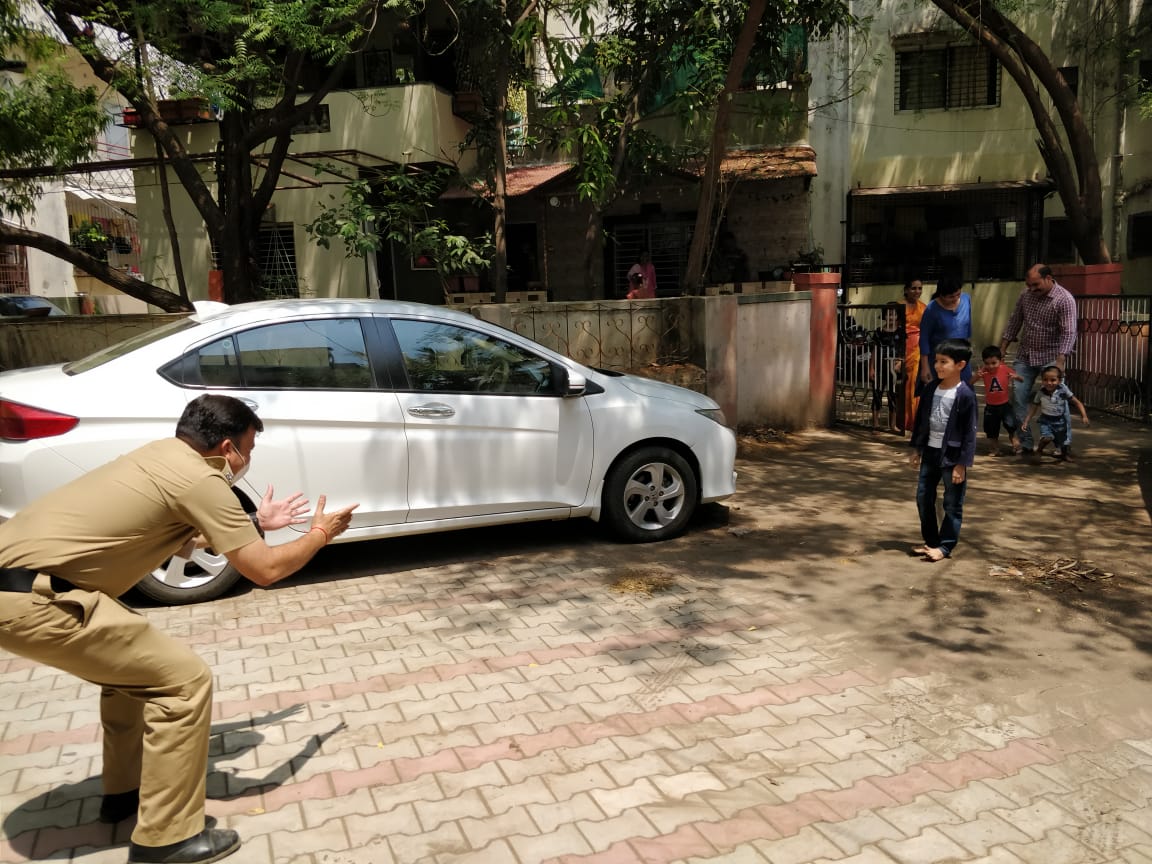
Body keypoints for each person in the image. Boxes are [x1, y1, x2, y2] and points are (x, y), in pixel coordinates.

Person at [0, 394, 358, 864]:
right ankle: (165, 839)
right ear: (227, 448)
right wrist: (321, 534)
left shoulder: (160, 457)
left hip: (22, 591)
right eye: (247, 450)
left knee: (131, 680)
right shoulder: (203, 480)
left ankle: (124, 793)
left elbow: (181, 528)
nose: (247, 461)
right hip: (42, 601)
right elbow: (264, 571)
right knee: (184, 685)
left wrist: (256, 521)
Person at [999, 263, 1079, 458]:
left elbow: (1068, 332)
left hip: (1051, 357)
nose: (1032, 289)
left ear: (1049, 278)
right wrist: (1002, 349)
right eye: (1029, 285)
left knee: (1058, 401)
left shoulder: (1064, 299)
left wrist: (1060, 360)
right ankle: (1026, 443)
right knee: (1018, 396)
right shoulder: (1025, 295)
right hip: (1025, 355)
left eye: (1036, 285)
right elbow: (1015, 320)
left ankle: (1063, 445)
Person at [908, 338, 978, 562]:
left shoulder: (965, 395)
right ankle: (931, 541)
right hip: (930, 452)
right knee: (923, 496)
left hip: (952, 457)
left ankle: (946, 546)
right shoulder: (930, 389)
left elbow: (969, 433)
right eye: (937, 361)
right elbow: (921, 421)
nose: (938, 366)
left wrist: (962, 464)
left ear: (960, 364)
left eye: (944, 361)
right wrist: (917, 449)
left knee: (952, 503)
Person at [1022, 364, 1090, 461]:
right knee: (1047, 437)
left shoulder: (1063, 390)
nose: (1049, 383)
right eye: (1045, 380)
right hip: (1046, 420)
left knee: (1063, 441)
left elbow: (1077, 402)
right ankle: (1039, 450)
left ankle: (1064, 454)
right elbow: (1034, 407)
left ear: (1059, 380)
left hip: (1061, 421)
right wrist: (1026, 421)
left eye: (1053, 380)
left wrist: (1084, 416)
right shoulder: (1041, 393)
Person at [918, 275, 973, 390]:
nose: (955, 298)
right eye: (951, 296)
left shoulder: (966, 299)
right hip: (940, 361)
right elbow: (924, 338)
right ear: (941, 295)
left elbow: (967, 328)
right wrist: (925, 367)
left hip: (961, 358)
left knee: (963, 392)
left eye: (958, 294)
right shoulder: (932, 309)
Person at [976, 345, 1024, 456]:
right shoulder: (983, 371)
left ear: (1000, 361)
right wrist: (976, 376)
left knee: (1011, 427)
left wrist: (1016, 377)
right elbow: (970, 382)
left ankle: (1016, 446)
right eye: (987, 363)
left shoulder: (1005, 369)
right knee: (991, 430)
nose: (990, 366)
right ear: (983, 362)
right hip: (990, 407)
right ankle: (994, 449)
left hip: (1005, 405)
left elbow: (1022, 379)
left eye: (994, 363)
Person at [869, 302, 904, 433]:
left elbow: (904, 350)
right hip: (879, 366)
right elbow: (874, 350)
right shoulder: (878, 332)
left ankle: (893, 425)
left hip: (894, 368)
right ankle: (876, 425)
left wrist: (900, 362)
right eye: (888, 314)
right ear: (884, 316)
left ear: (897, 316)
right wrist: (871, 368)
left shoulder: (901, 332)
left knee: (893, 395)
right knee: (877, 394)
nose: (891, 317)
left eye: (893, 314)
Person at [902, 277, 927, 431]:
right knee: (902, 385)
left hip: (918, 348)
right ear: (906, 290)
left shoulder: (924, 308)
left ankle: (914, 420)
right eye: (913, 288)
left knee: (914, 384)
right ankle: (902, 420)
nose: (917, 291)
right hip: (902, 346)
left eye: (919, 288)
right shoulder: (899, 307)